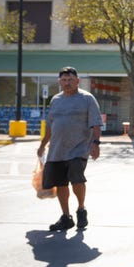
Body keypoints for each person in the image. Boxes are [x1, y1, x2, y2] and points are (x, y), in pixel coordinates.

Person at [37, 66, 103, 232]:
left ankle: (81, 209)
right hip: (57, 150)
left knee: (77, 178)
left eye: (70, 80)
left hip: (79, 148)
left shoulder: (87, 99)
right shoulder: (56, 100)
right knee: (60, 183)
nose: (67, 83)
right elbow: (51, 126)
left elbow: (96, 123)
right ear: (59, 82)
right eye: (64, 80)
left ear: (77, 81)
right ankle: (66, 217)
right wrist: (42, 145)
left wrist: (96, 143)